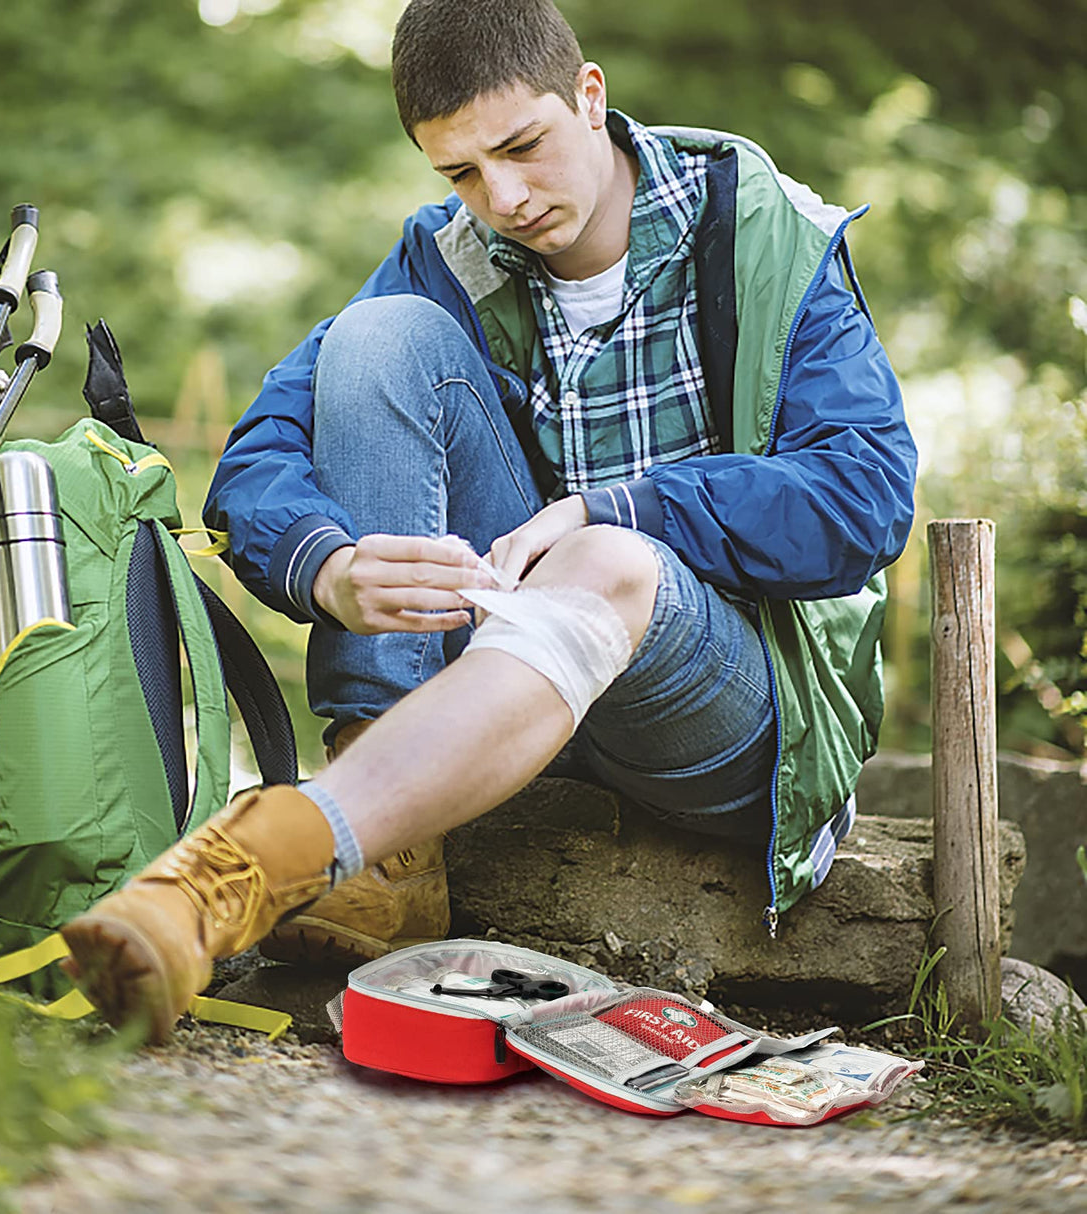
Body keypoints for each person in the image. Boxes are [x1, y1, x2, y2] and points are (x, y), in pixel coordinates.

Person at [61, 0, 916, 1044]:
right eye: (460, 172)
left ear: (589, 96)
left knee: (602, 556)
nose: (500, 197)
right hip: (510, 688)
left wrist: (616, 510)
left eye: (521, 147)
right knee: (376, 339)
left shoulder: (765, 228)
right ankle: (388, 866)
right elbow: (261, 450)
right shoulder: (449, 252)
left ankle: (255, 859)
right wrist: (324, 565)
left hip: (732, 713)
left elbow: (861, 495)